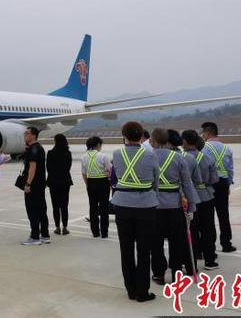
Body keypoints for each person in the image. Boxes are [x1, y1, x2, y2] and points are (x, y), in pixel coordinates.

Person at [110, 121, 158, 302]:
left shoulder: (117, 154)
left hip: (122, 204)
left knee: (126, 248)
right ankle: (142, 291)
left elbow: (116, 177)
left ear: (124, 136)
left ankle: (130, 289)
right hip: (145, 205)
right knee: (144, 250)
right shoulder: (150, 155)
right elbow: (156, 181)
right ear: (141, 136)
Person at [149, 129, 199, 286]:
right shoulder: (178, 157)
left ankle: (159, 274)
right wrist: (191, 206)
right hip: (175, 205)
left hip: (155, 205)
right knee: (176, 241)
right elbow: (187, 183)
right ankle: (176, 274)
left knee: (156, 242)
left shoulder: (148, 156)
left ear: (153, 141)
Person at [182, 131, 220, 270]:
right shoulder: (208, 158)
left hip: (190, 197)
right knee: (208, 229)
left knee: (191, 230)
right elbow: (214, 179)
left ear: (185, 142)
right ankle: (210, 260)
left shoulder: (181, 158)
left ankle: (192, 262)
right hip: (206, 196)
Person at [200, 122, 236, 253]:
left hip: (209, 184)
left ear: (208, 133)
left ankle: (210, 246)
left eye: (203, 133)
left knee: (208, 217)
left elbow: (202, 166)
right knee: (223, 214)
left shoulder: (204, 148)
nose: (202, 135)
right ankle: (226, 243)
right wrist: (229, 184)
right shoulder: (227, 149)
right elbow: (230, 169)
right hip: (223, 184)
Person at [21, 126, 50, 245]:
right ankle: (45, 235)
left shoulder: (33, 149)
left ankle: (34, 237)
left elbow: (32, 168)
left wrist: (28, 183)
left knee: (32, 210)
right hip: (40, 184)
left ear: (33, 135)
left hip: (33, 185)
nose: (25, 135)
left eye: (27, 133)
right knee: (42, 209)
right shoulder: (39, 148)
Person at [81, 136, 111, 238]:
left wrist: (87, 184)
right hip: (103, 182)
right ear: (98, 145)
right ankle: (104, 232)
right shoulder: (104, 156)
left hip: (91, 182)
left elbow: (84, 173)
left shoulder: (84, 157)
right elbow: (108, 172)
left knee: (93, 207)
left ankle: (95, 232)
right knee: (104, 208)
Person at [46, 134, 73, 235]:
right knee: (64, 205)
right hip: (65, 180)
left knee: (55, 205)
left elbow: (48, 168)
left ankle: (57, 227)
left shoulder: (50, 153)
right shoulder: (68, 153)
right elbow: (68, 167)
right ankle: (65, 227)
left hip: (53, 181)